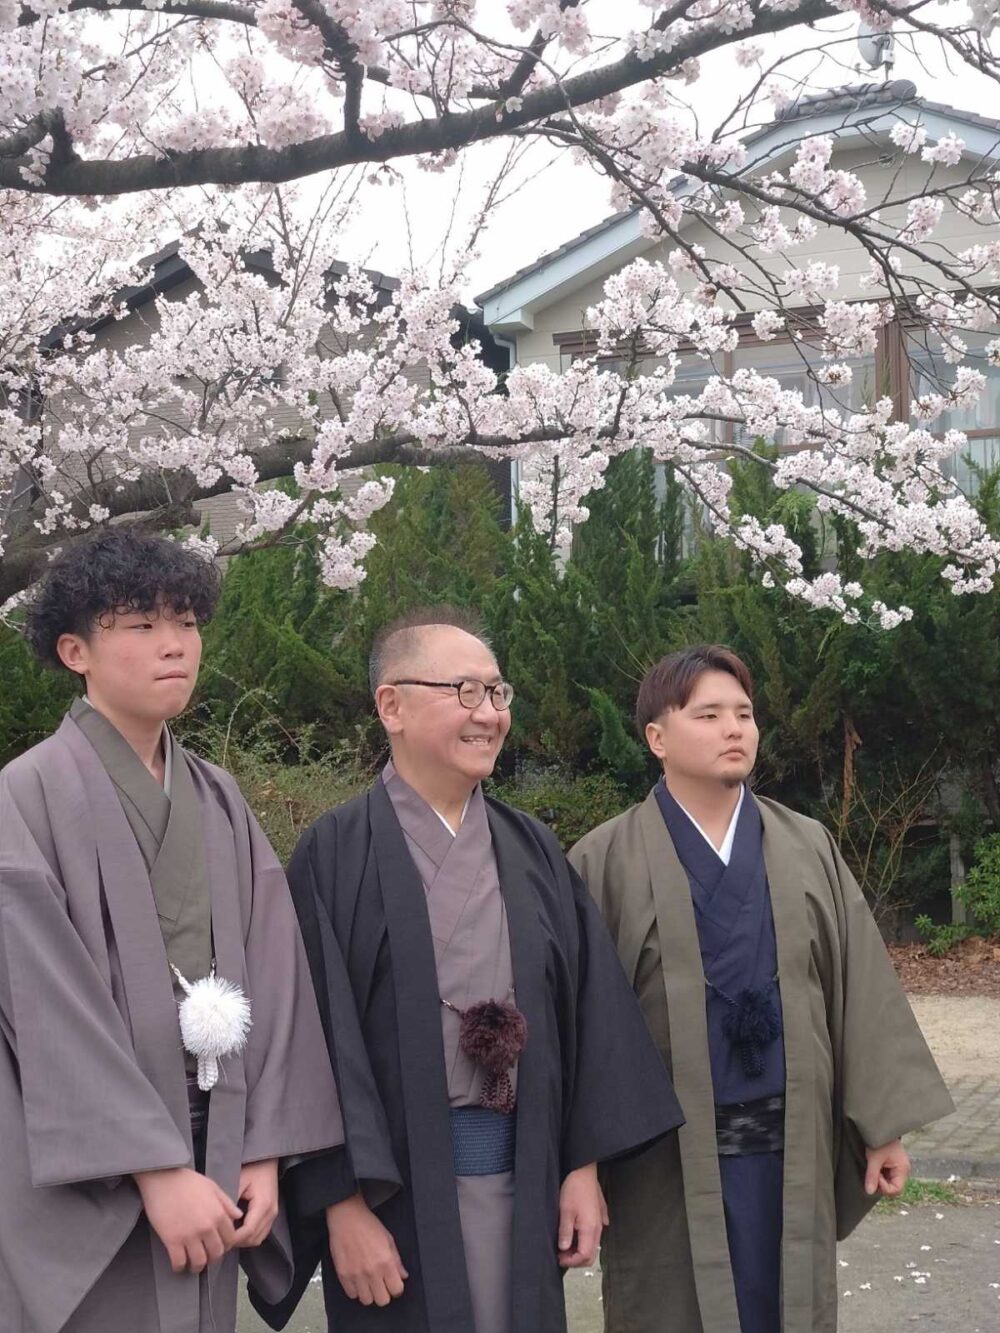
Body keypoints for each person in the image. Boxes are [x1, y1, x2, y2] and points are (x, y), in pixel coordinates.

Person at [250, 606, 684, 1333]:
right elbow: (304, 1043)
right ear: (391, 705)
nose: (489, 713)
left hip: (526, 1182)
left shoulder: (533, 848)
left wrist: (581, 1167)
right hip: (392, 1200)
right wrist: (341, 1207)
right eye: (465, 692)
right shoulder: (334, 853)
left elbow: (589, 1017)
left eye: (497, 692)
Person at [0, 529, 344, 1333]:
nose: (174, 645)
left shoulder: (218, 796)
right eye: (142, 624)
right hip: (95, 1169)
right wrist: (155, 1169)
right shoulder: (25, 795)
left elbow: (275, 968)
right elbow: (43, 1001)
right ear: (75, 651)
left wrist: (262, 1148)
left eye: (186, 622)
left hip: (220, 1139)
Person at [569, 644, 954, 1333]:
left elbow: (858, 988)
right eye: (709, 714)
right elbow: (578, 1024)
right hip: (663, 1165)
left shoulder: (807, 845)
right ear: (657, 738)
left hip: (792, 1151)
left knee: (790, 1308)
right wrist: (581, 1163)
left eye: (744, 714)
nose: (734, 729)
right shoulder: (604, 860)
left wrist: (882, 1130)